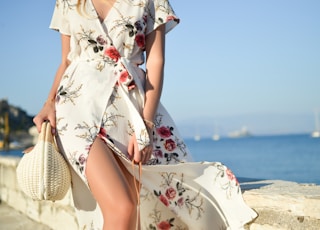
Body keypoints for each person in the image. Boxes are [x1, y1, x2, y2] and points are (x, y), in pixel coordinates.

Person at [33, 0, 258, 229]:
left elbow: (156, 61)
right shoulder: (69, 1)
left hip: (129, 109)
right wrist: (48, 103)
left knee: (135, 208)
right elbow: (67, 60)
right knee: (123, 207)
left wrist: (146, 124)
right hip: (75, 107)